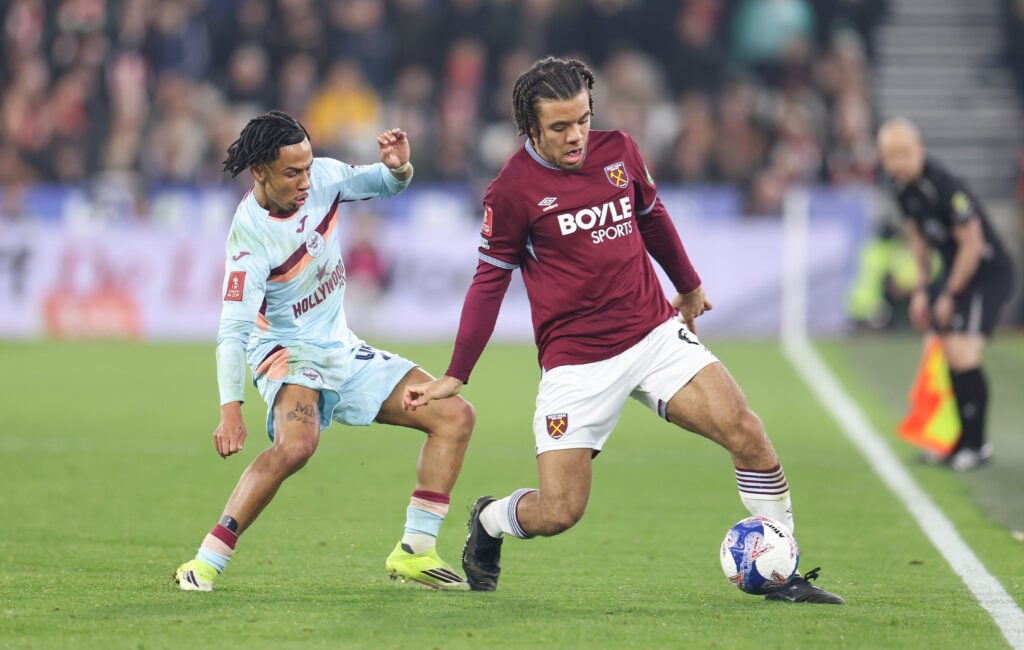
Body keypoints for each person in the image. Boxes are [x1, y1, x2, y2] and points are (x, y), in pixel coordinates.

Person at [402, 56, 843, 604]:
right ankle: (489, 520)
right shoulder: (511, 190)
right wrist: (456, 373)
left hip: (654, 334)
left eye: (583, 119)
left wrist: (687, 284)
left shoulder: (619, 151)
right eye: (560, 127)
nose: (576, 135)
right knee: (560, 510)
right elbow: (489, 283)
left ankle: (783, 567)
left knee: (747, 431)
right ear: (530, 128)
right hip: (577, 364)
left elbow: (651, 215)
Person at [174, 110, 474, 592]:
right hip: (287, 352)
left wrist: (398, 168)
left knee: (454, 416)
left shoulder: (324, 178)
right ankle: (206, 561)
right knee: (296, 446)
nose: (305, 180)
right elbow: (231, 331)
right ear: (260, 172)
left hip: (340, 347)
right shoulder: (249, 239)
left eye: (308, 167)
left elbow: (384, 183)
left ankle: (415, 551)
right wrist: (231, 410)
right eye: (292, 172)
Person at [877, 117, 1015, 471]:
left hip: (986, 273)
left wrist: (949, 293)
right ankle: (959, 442)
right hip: (956, 273)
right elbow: (918, 239)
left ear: (919, 149)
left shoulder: (945, 185)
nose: (899, 162)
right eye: (891, 155)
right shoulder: (902, 190)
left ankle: (976, 445)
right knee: (949, 352)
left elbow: (973, 243)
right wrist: (923, 288)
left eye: (905, 153)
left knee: (963, 352)